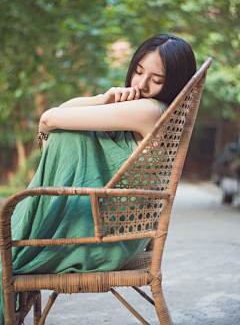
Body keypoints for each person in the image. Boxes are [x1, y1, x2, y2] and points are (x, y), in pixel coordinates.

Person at [0, 34, 196, 323]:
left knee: (69, 137)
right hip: (117, 234)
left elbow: (49, 120)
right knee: (71, 136)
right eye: (138, 71)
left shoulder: (149, 110)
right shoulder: (157, 112)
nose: (140, 85)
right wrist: (103, 98)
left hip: (104, 239)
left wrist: (87, 108)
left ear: (176, 83)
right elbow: (55, 119)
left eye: (157, 79)